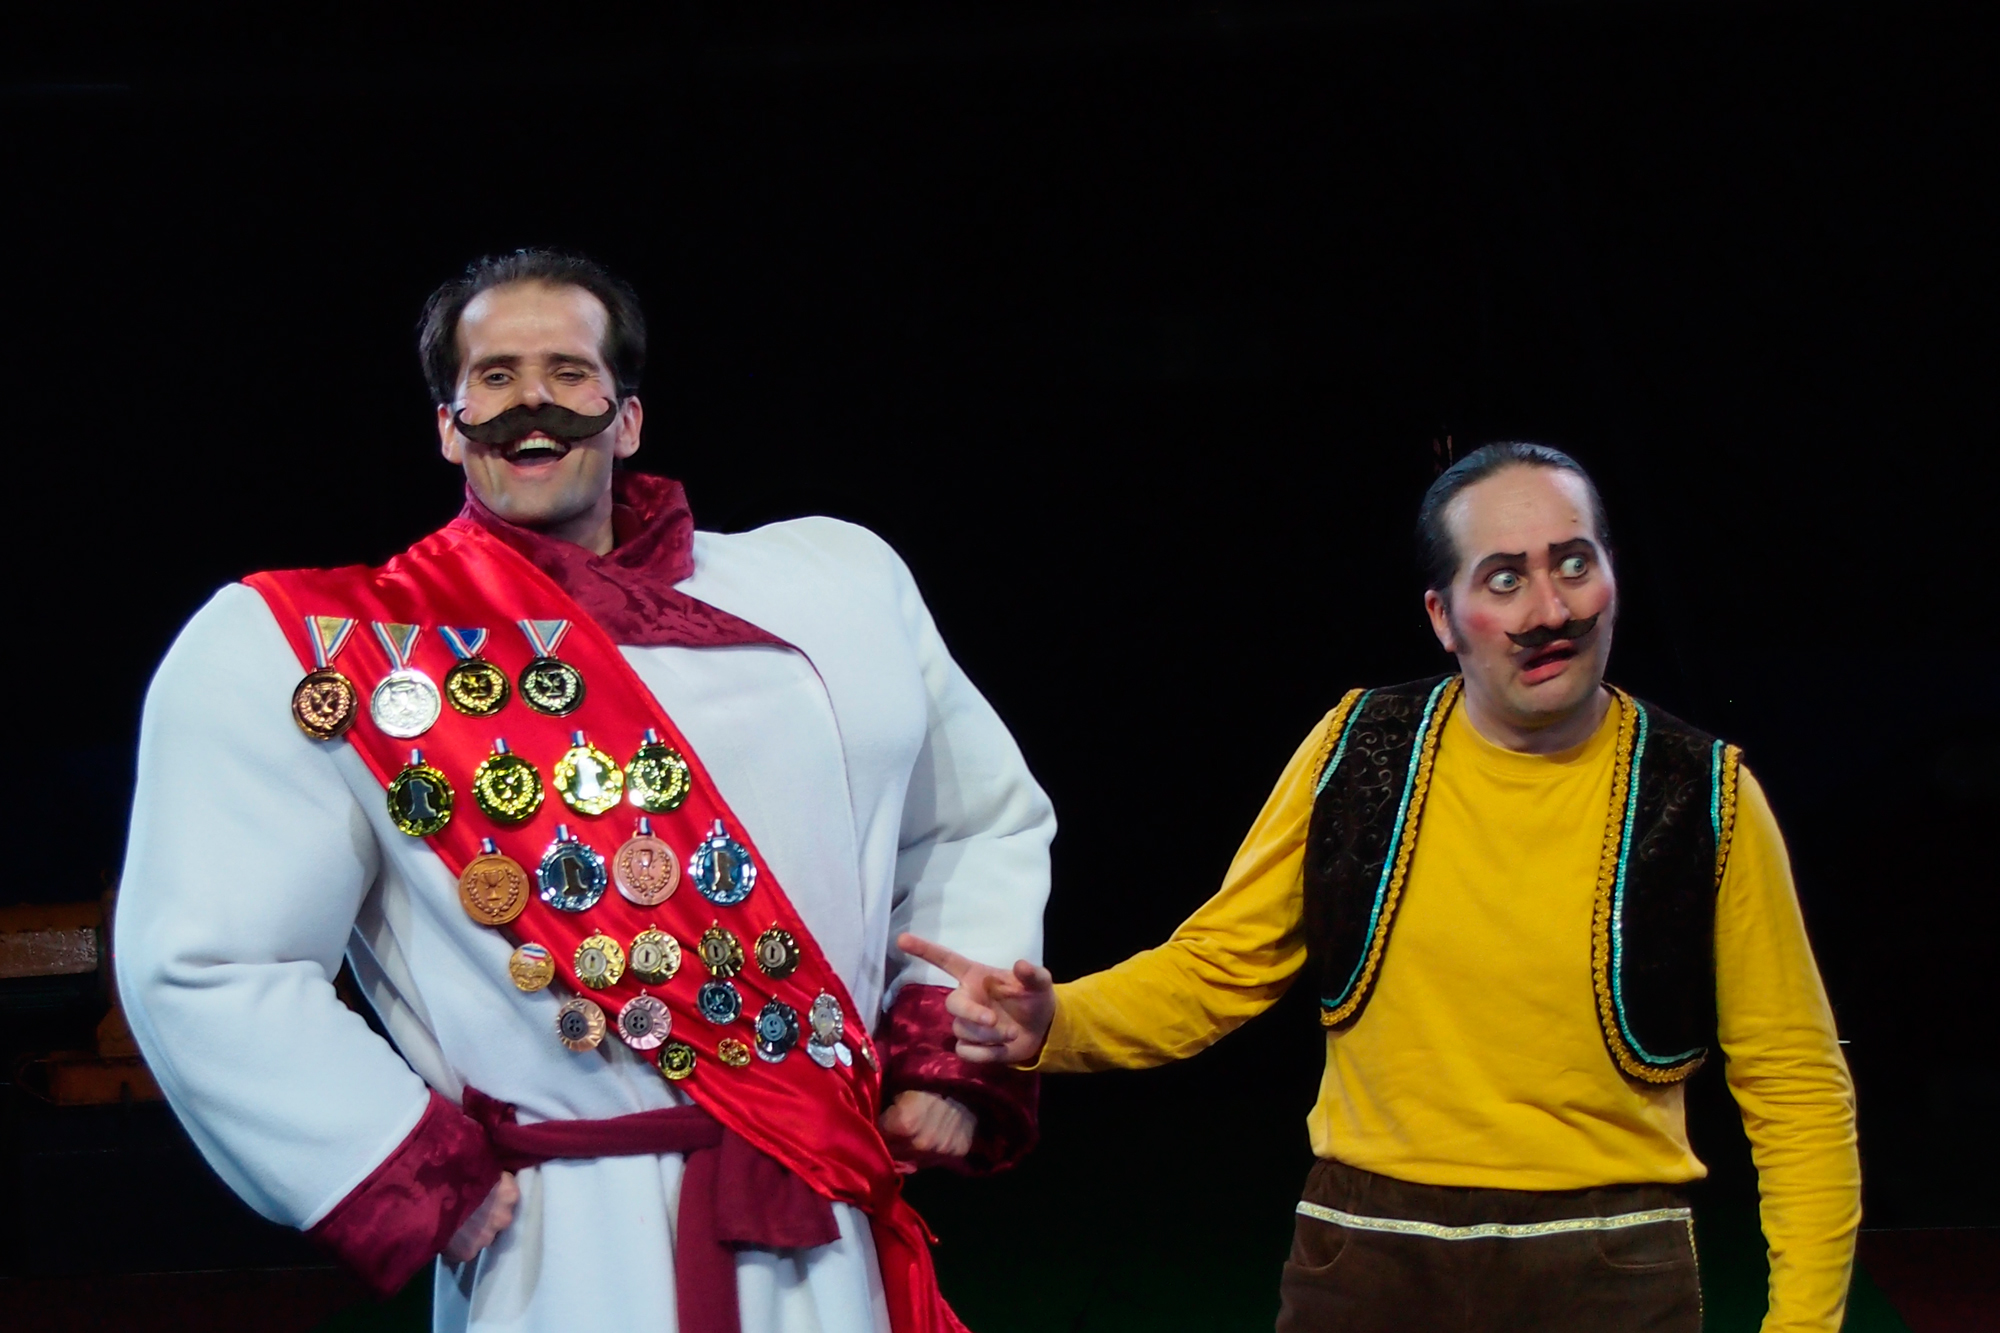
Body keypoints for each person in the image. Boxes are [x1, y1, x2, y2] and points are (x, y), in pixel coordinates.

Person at [116, 249, 1053, 1333]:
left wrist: (942, 1052)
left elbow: (972, 823)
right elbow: (203, 960)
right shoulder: (329, 647)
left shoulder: (833, 592)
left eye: (568, 372)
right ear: (448, 425)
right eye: (496, 376)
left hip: (824, 1204)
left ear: (628, 416)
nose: (534, 402)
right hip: (559, 1239)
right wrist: (406, 1165)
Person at [904, 443, 1860, 1332]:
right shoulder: (1357, 751)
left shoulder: (1706, 795)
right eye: (1504, 578)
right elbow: (1215, 969)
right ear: (1443, 615)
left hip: (1609, 1265)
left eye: (1574, 564)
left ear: (1613, 575)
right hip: (1369, 1260)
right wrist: (1056, 1022)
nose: (1548, 609)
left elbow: (1797, 1084)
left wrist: (1806, 1323)